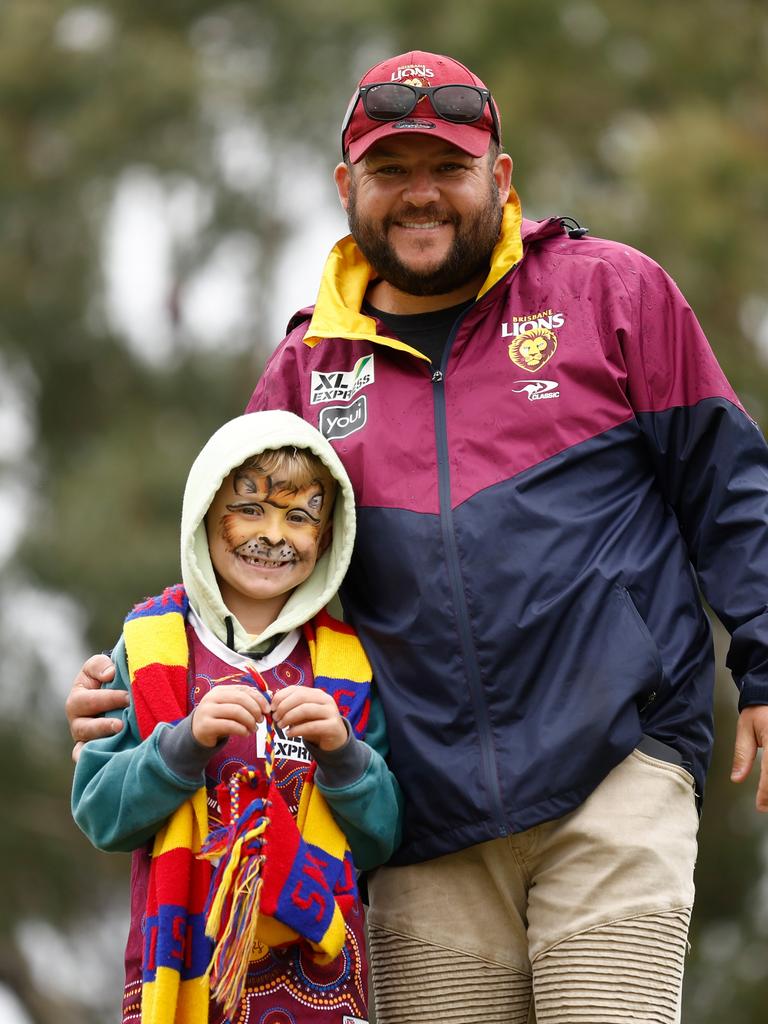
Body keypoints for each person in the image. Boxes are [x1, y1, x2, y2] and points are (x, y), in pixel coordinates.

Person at [67, 50, 768, 1023]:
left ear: (502, 177)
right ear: (346, 187)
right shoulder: (306, 372)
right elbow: (241, 576)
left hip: (618, 770)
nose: (421, 196)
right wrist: (133, 691)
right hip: (415, 817)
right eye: (392, 172)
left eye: (448, 167)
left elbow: (732, 487)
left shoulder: (615, 295)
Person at [71, 409, 402, 1024]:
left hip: (319, 983)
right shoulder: (147, 651)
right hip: (181, 972)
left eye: (300, 515)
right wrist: (184, 743)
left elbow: (381, 835)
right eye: (249, 508)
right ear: (204, 511)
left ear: (328, 537)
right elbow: (98, 811)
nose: (273, 534)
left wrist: (343, 755)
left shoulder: (345, 667)